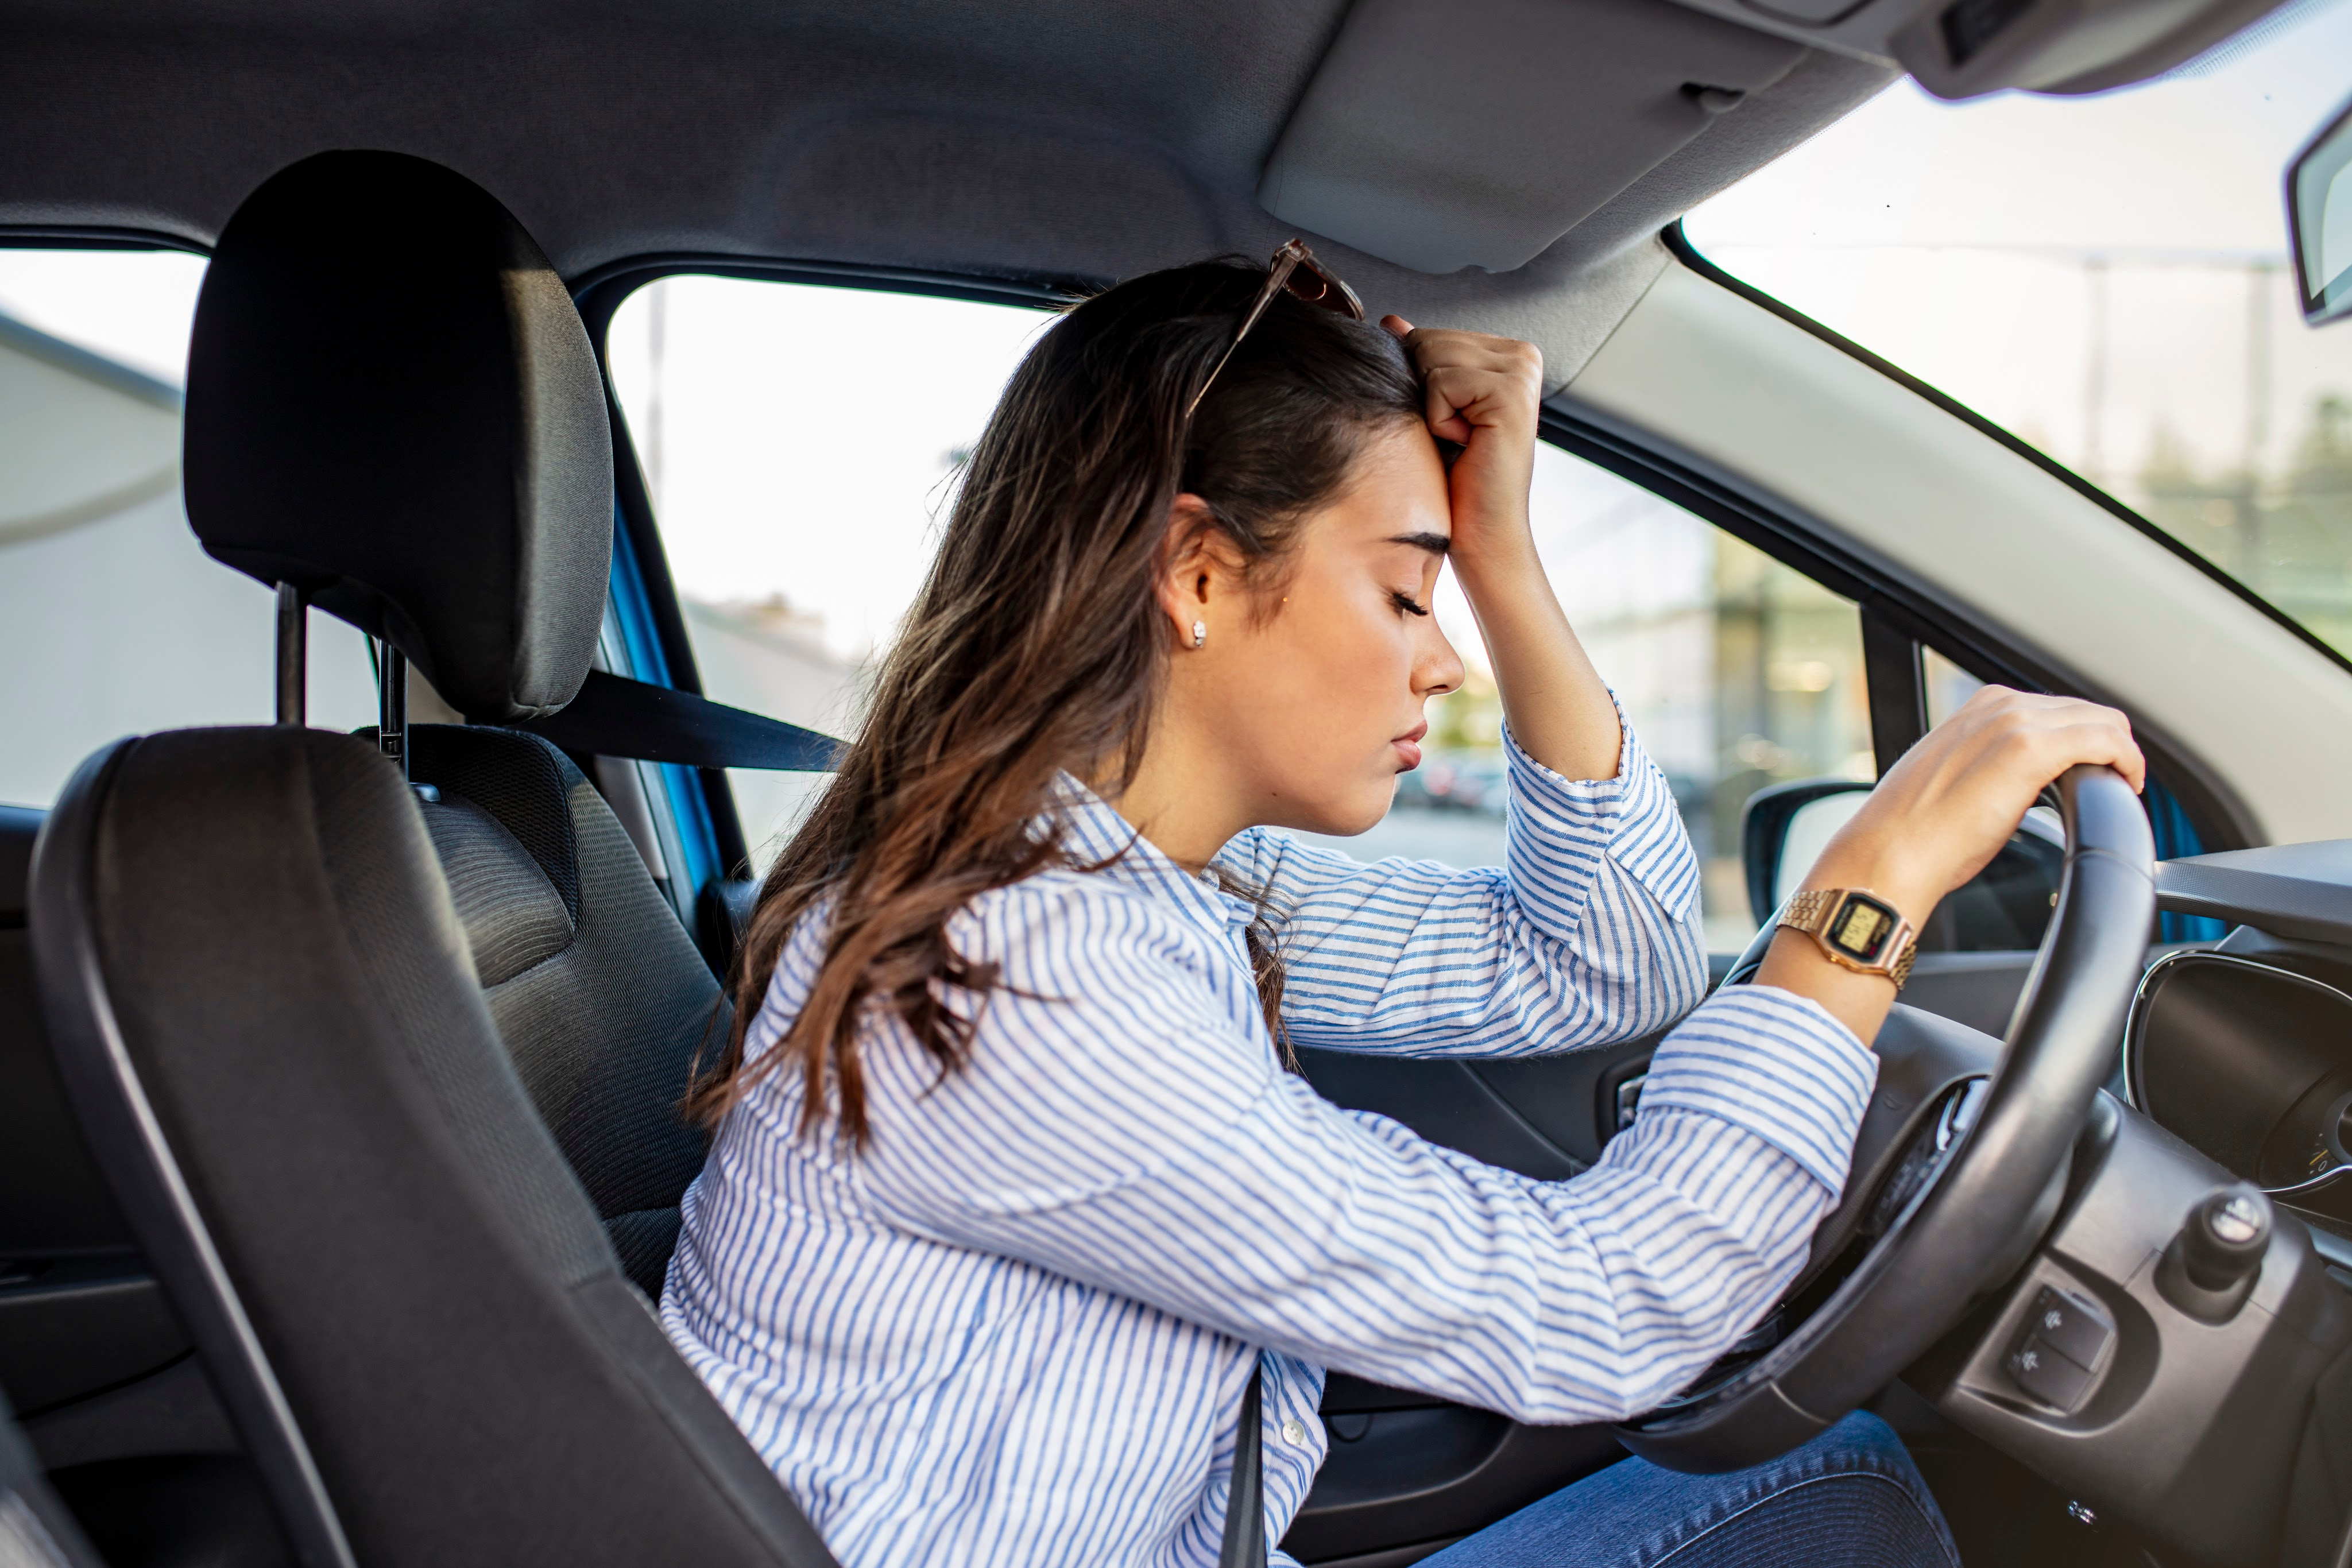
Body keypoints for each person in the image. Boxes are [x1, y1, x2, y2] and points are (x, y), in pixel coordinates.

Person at [659, 245, 2143, 1568]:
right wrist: (1869, 890)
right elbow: (1607, 1303)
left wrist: (1493, 546)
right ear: (1195, 571)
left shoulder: (1151, 874)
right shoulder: (1020, 969)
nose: (1446, 662)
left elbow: (1601, 961)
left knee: (1849, 1484)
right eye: (1404, 594)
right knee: (1855, 1508)